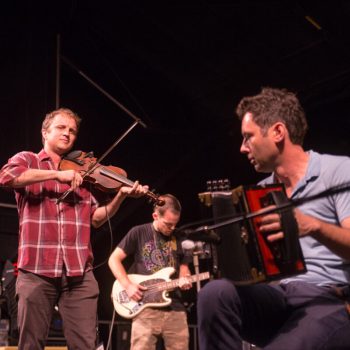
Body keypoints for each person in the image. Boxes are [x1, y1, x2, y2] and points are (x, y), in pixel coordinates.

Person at [197, 87, 350, 350]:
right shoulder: (260, 192)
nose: (242, 148)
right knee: (214, 293)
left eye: (248, 137)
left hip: (329, 299)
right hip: (279, 297)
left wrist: (312, 225)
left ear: (278, 132)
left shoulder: (339, 171)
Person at [0, 107, 149, 349]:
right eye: (61, 128)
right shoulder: (29, 159)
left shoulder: (84, 172)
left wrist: (120, 196)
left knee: (86, 345)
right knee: (31, 344)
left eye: (72, 131)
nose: (67, 134)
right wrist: (55, 176)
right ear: (44, 132)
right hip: (37, 270)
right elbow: (7, 177)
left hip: (79, 273)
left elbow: (97, 218)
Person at [108, 194, 193, 350]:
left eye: (175, 224)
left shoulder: (180, 237)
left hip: (175, 308)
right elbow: (113, 260)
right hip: (145, 308)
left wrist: (185, 277)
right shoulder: (138, 232)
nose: (172, 228)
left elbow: (185, 267)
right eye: (168, 224)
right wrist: (127, 285)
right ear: (155, 215)